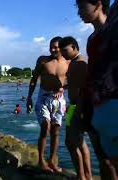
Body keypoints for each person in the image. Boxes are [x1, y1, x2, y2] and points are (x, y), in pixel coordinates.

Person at [75, 0, 117, 179]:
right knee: (102, 156)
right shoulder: (92, 38)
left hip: (109, 100)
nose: (79, 12)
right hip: (85, 104)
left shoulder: (113, 31)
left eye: (82, 7)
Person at [26, 36, 69, 173]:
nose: (53, 49)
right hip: (43, 97)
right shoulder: (43, 60)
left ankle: (52, 160)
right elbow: (33, 79)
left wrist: (63, 88)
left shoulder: (68, 62)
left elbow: (74, 81)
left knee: (56, 130)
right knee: (45, 127)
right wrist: (29, 98)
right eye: (51, 46)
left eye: (56, 46)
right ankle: (41, 160)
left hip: (59, 99)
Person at [59, 36, 93, 180]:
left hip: (77, 107)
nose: (63, 54)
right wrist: (63, 87)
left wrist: (79, 110)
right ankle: (86, 176)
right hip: (73, 106)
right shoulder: (74, 62)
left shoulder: (80, 63)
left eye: (65, 50)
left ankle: (82, 176)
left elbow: (86, 88)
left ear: (74, 47)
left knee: (71, 141)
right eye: (62, 51)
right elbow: (76, 83)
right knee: (79, 142)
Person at [91, 0, 118, 175]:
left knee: (60, 132)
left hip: (63, 105)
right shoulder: (44, 62)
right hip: (80, 105)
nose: (58, 51)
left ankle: (85, 176)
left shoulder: (78, 61)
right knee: (72, 139)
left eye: (61, 48)